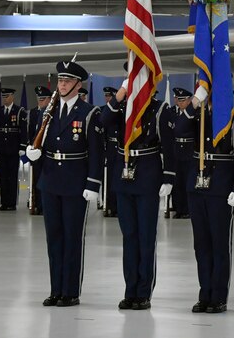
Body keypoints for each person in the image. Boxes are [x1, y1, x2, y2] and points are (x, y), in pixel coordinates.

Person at [25, 60, 103, 307]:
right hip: (50, 181)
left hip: (75, 182)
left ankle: (70, 291)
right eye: (60, 80)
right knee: (54, 238)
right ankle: (56, 289)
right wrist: (34, 154)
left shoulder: (89, 113)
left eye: (67, 81)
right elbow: (41, 140)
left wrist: (93, 184)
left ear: (78, 85)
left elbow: (96, 152)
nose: (62, 84)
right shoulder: (48, 111)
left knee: (72, 238)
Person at [103, 79, 174, 311]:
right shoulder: (122, 106)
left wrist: (168, 176)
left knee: (145, 237)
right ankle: (130, 290)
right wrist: (121, 93)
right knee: (129, 236)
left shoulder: (159, 108)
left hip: (146, 174)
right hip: (123, 175)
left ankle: (143, 292)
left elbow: (168, 144)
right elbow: (103, 120)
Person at [186, 94, 234, 314]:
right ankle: (205, 293)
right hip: (197, 184)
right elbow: (179, 129)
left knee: (219, 244)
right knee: (201, 244)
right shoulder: (198, 113)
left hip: (221, 185)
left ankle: (218, 296)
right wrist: (195, 101)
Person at [0, 87, 28, 211]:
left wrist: (22, 146)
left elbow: (23, 131)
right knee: (2, 176)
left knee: (12, 176)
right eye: (3, 97)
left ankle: (12, 203)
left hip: (14, 148)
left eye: (7, 96)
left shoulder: (19, 111)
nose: (5, 99)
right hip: (2, 148)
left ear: (12, 97)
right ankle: (3, 201)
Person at [171, 87, 197, 220]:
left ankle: (187, 209)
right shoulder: (172, 113)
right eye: (179, 100)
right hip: (176, 150)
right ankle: (178, 208)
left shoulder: (194, 113)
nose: (181, 103)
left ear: (189, 100)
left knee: (188, 181)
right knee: (177, 182)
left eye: (183, 100)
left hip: (189, 149)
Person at [26, 85, 52, 215]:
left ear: (49, 99)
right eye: (39, 99)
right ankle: (38, 205)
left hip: (48, 153)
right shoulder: (37, 112)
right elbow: (34, 133)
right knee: (37, 180)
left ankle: (45, 206)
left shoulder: (51, 112)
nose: (40, 101)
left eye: (43, 99)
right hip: (37, 153)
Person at [100, 86, 121, 217]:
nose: (107, 98)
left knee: (117, 178)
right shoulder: (103, 111)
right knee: (107, 179)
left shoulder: (119, 110)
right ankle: (108, 205)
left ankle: (117, 206)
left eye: (110, 96)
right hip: (109, 148)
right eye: (106, 96)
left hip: (118, 146)